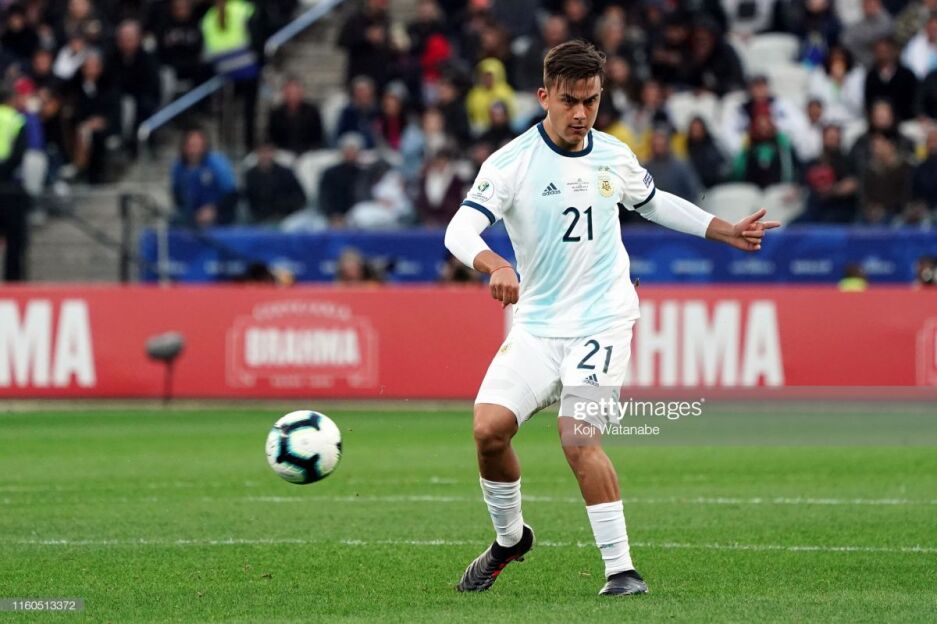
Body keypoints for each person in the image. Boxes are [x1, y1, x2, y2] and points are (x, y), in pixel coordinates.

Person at [443, 40, 779, 597]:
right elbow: (459, 229)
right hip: (537, 326)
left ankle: (621, 570)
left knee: (577, 436)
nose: (581, 114)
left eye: (592, 101)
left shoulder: (613, 155)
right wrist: (494, 263)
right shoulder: (510, 163)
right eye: (570, 101)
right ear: (544, 96)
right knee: (488, 432)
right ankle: (510, 540)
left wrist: (725, 229)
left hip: (603, 320)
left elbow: (655, 202)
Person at [170, 128, 237, 227]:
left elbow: (232, 194)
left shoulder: (216, 163)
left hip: (218, 216)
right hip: (191, 217)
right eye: (190, 146)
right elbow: (178, 196)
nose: (194, 151)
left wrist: (214, 210)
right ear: (184, 147)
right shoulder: (179, 168)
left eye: (197, 146)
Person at [0, 81, 30, 281]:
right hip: (9, 188)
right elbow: (18, 155)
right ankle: (13, 284)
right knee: (14, 241)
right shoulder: (17, 120)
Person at [243, 143, 306, 223]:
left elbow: (299, 197)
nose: (265, 156)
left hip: (285, 217)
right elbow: (248, 198)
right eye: (262, 152)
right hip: (259, 218)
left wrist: (284, 209)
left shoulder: (286, 173)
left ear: (273, 153)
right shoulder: (251, 175)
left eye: (268, 152)